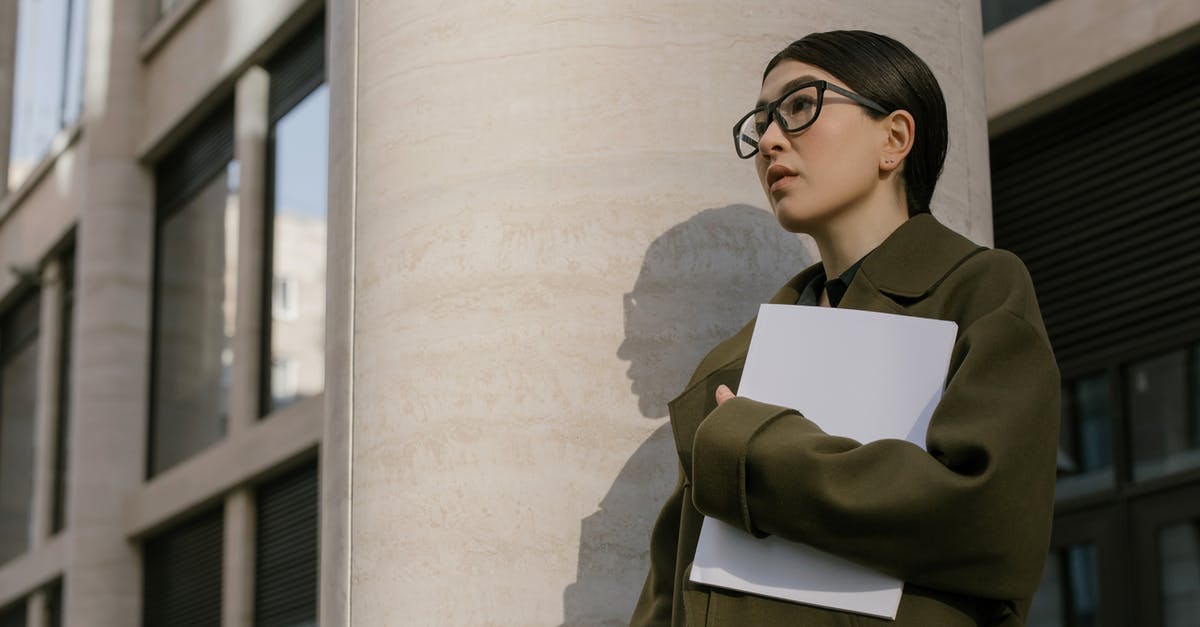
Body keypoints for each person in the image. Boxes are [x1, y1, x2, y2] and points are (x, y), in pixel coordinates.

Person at [630, 30, 1060, 626]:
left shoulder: (979, 290)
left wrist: (755, 447)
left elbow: (989, 521)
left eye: (800, 106)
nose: (770, 140)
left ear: (895, 138)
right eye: (760, 123)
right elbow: (672, 590)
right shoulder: (732, 364)